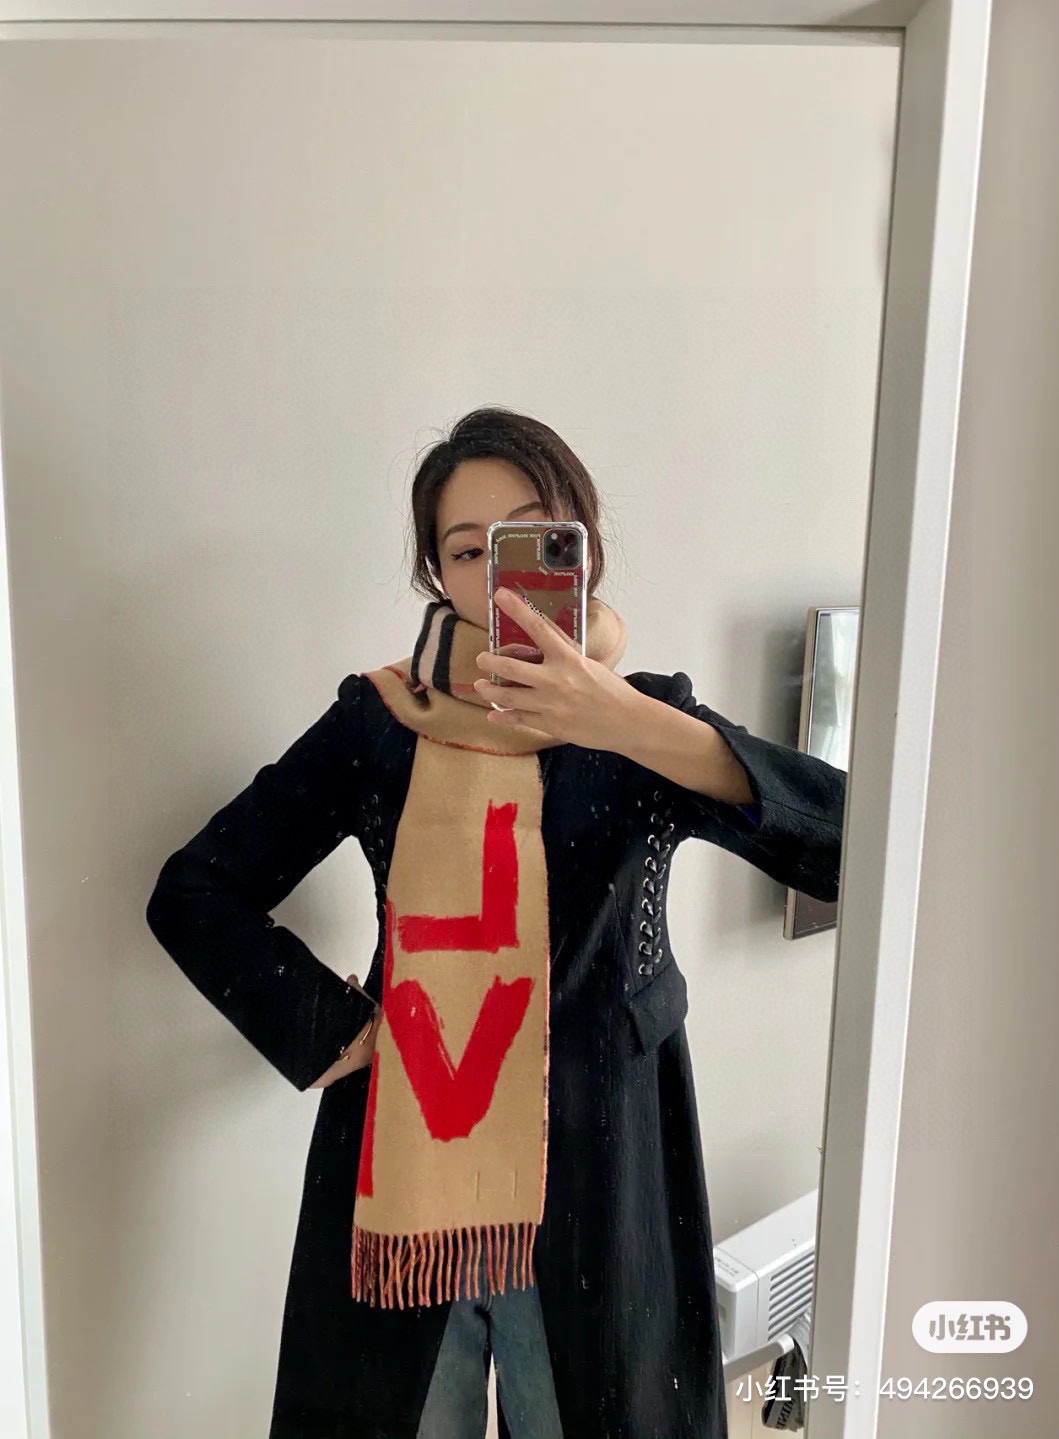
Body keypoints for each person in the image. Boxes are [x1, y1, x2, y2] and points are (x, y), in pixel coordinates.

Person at [145, 406, 847, 1439]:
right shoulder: (380, 720)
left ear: (582, 548)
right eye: (469, 550)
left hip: (599, 1175)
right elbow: (197, 890)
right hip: (409, 1176)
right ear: (436, 572)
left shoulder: (647, 726)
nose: (499, 577)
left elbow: (848, 846)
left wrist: (626, 719)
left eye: (532, 538)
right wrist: (337, 1030)